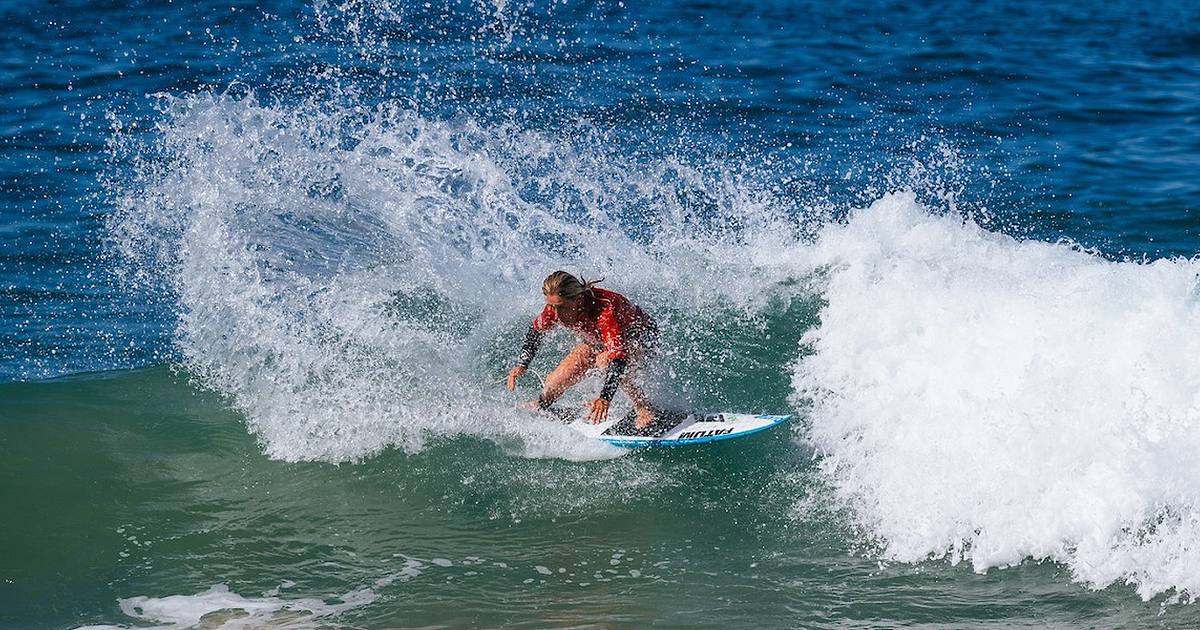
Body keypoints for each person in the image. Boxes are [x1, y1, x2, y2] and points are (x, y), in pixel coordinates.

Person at [507, 271, 659, 428]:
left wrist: (604, 398)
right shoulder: (555, 308)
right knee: (552, 384)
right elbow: (536, 331)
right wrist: (522, 364)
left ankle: (644, 406)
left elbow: (617, 357)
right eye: (552, 306)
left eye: (561, 307)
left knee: (604, 361)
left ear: (578, 300)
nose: (556, 315)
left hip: (641, 341)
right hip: (599, 343)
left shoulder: (605, 311)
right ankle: (540, 404)